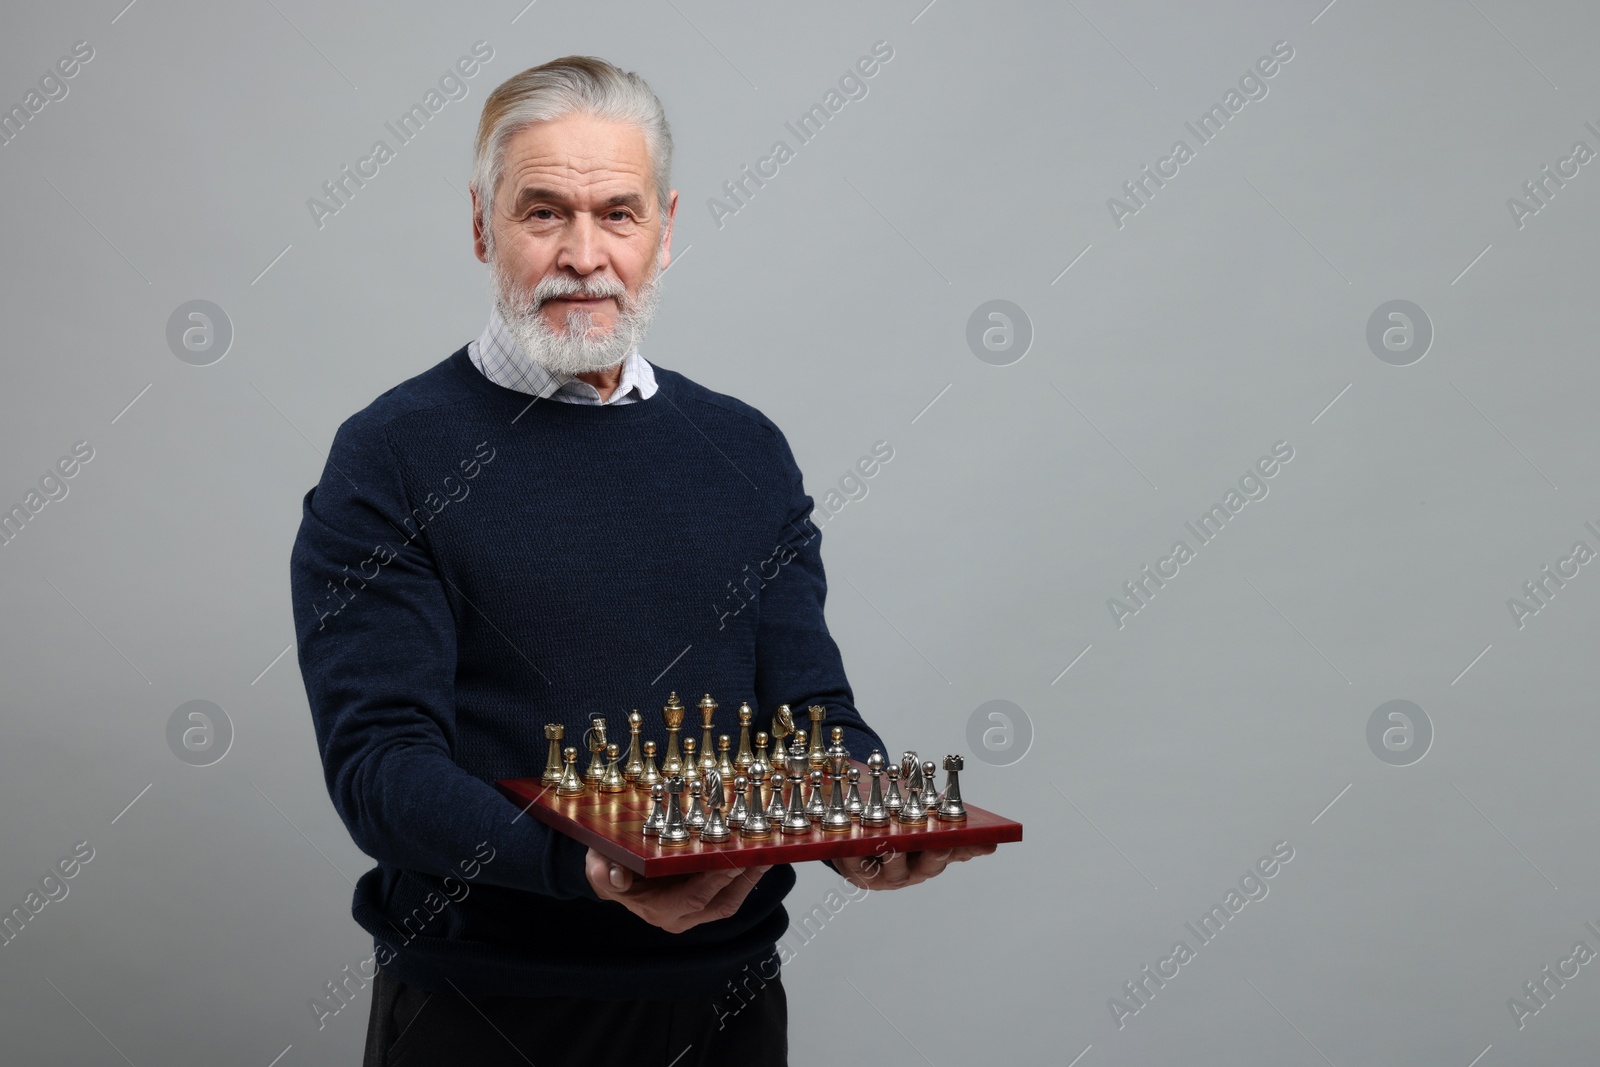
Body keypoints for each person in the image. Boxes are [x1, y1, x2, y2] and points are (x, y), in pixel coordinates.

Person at [288, 54, 992, 1067]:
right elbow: (381, 767)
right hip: (484, 1009)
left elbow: (809, 713)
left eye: (616, 214)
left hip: (725, 1002)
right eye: (543, 214)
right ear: (483, 225)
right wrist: (584, 865)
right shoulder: (392, 455)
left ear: (665, 230)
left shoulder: (744, 448)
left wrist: (864, 816)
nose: (584, 254)